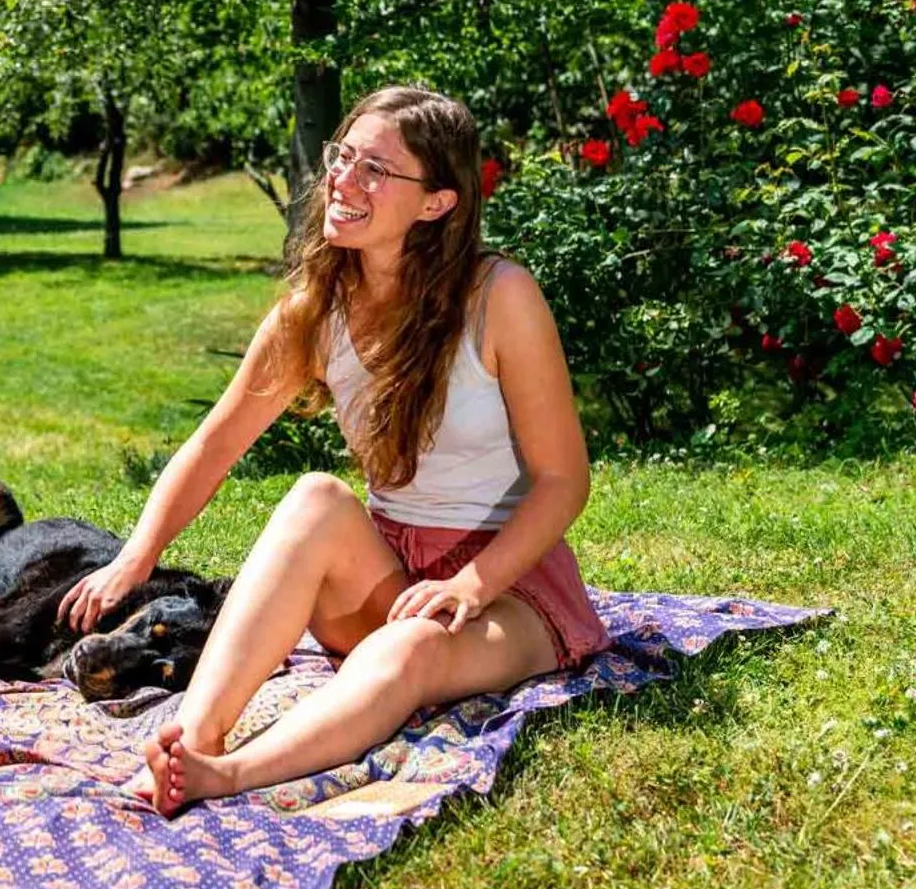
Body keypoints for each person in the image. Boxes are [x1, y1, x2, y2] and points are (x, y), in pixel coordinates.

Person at [57, 85, 611, 816]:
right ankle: (194, 742)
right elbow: (214, 443)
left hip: (509, 592)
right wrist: (136, 555)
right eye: (341, 158)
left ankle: (227, 775)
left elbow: (562, 481)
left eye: (374, 170)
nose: (342, 183)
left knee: (407, 648)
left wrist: (470, 586)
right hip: (386, 574)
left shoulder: (499, 296)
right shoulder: (313, 311)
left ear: (436, 203)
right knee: (315, 495)